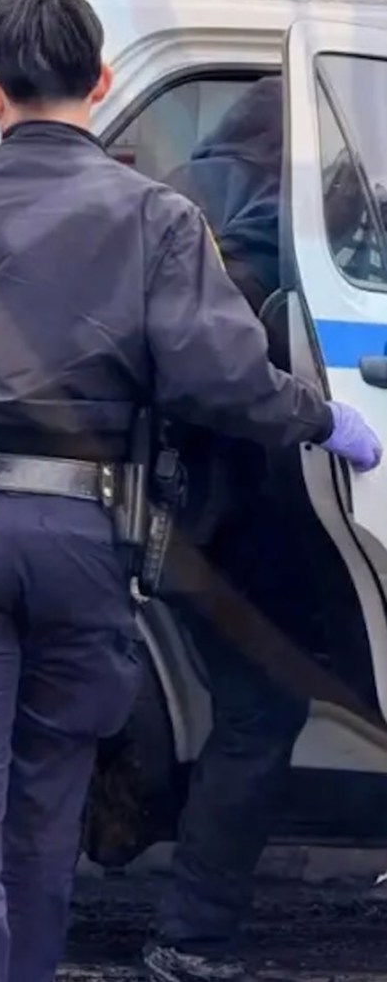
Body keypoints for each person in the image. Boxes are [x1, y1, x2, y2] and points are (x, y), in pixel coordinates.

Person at [0, 0, 381, 982]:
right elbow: (218, 379)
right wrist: (322, 417)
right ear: (103, 80)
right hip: (88, 542)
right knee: (45, 815)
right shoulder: (156, 217)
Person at [143, 75, 384, 982]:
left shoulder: (184, 192)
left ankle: (185, 936)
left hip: (191, 510)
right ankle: (190, 937)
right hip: (250, 509)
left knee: (259, 709)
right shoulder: (276, 211)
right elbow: (233, 347)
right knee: (261, 712)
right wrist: (321, 415)